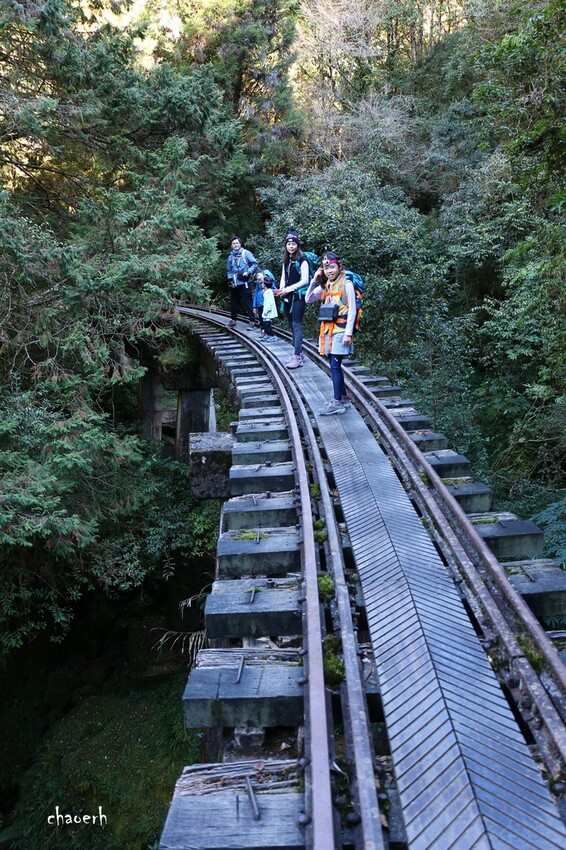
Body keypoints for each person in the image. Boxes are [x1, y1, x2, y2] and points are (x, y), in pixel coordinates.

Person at [306, 251, 356, 415]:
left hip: (341, 330)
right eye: (326, 268)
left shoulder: (346, 283)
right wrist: (314, 279)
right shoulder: (326, 285)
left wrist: (349, 333)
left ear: (339, 267)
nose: (330, 271)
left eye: (332, 267)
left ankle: (338, 402)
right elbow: (308, 299)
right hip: (329, 331)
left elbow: (353, 310)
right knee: (335, 364)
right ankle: (343, 398)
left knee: (335, 365)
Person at [274, 230, 310, 368]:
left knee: (296, 324)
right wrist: (282, 289)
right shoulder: (286, 260)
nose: (291, 246)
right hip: (287, 295)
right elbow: (284, 276)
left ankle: (296, 356)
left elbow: (305, 280)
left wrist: (288, 289)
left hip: (299, 296)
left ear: (297, 245)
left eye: (293, 244)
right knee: (291, 324)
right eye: (289, 244)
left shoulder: (303, 260)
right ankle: (298, 353)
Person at [226, 236, 259, 329]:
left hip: (245, 282)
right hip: (235, 282)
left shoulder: (246, 253)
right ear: (231, 246)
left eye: (237, 243)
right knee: (234, 302)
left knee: (247, 302)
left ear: (240, 244)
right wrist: (229, 279)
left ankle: (252, 321)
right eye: (233, 243)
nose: (235, 245)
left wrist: (248, 272)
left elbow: (255, 264)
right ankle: (233, 320)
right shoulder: (230, 257)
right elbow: (229, 270)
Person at [253, 269, 278, 342]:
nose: (257, 278)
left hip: (267, 309)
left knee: (267, 323)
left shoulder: (268, 291)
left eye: (258, 275)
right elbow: (256, 294)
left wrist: (267, 311)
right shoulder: (259, 284)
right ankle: (267, 334)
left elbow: (270, 302)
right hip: (261, 305)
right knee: (263, 321)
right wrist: (255, 306)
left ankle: (271, 335)